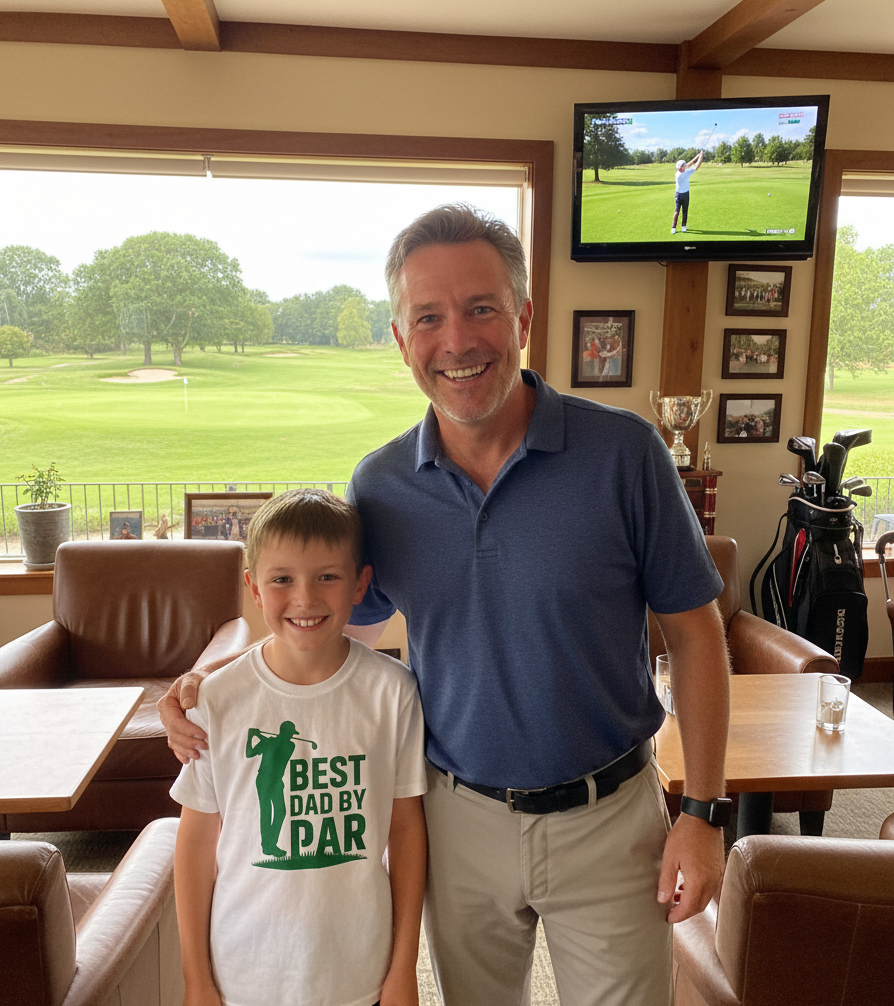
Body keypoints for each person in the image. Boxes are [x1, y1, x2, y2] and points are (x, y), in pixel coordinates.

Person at [161, 204, 730, 1006]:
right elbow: (306, 620)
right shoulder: (380, 486)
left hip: (611, 817)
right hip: (456, 821)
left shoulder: (624, 455)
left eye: (481, 309)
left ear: (523, 317)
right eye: (428, 317)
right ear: (402, 338)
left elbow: (695, 632)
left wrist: (704, 811)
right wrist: (210, 677)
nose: (457, 341)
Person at [171, 489, 427, 1006]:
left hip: (359, 970)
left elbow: (405, 831)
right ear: (254, 588)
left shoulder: (392, 691)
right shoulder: (216, 698)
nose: (305, 599)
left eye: (327, 577)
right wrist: (196, 979)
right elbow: (197, 844)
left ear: (360, 585)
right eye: (282, 579)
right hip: (245, 969)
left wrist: (404, 970)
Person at [671, 150, 704, 234]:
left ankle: (676, 228)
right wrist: (701, 156)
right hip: (683, 194)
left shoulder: (678, 172)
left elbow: (690, 163)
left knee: (678, 211)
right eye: (683, 166)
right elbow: (697, 165)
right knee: (681, 211)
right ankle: (681, 227)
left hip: (678, 194)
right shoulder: (684, 174)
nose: (684, 167)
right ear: (680, 168)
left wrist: (698, 155)